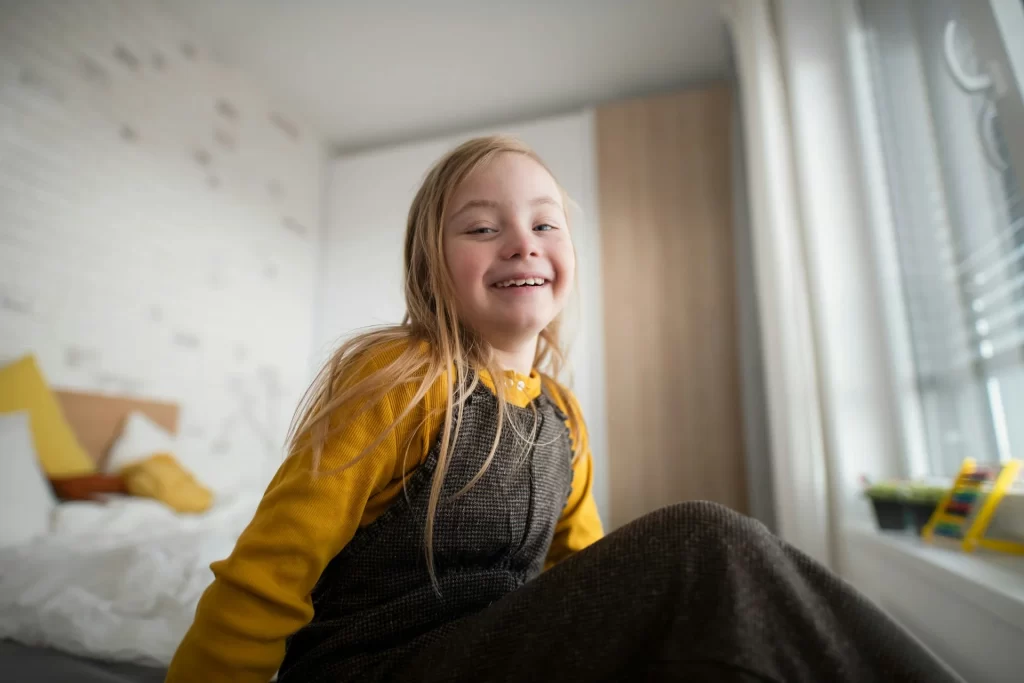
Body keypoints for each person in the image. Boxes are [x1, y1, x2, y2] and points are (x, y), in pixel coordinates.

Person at [166, 136, 959, 683]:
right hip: (377, 667)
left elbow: (584, 577)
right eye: (483, 226)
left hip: (500, 656)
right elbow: (267, 577)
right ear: (430, 266)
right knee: (700, 542)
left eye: (545, 222)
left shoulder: (562, 419)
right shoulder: (398, 378)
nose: (522, 240)